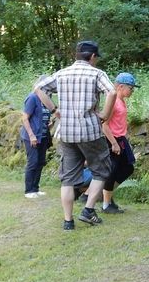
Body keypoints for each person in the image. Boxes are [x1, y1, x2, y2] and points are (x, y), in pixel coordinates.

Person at [35, 40, 116, 230]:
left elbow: (38, 88)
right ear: (93, 56)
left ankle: (68, 222)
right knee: (101, 170)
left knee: (68, 179)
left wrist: (54, 109)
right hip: (90, 132)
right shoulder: (96, 74)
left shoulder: (61, 73)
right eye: (96, 57)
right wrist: (105, 114)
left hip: (67, 133)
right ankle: (88, 210)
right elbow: (112, 92)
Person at [101, 72, 139, 213]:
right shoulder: (113, 102)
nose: (132, 91)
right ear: (121, 86)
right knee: (112, 170)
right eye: (131, 88)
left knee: (128, 168)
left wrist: (124, 138)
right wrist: (114, 143)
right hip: (113, 140)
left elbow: (119, 122)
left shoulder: (121, 100)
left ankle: (107, 195)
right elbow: (104, 125)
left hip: (121, 139)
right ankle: (106, 204)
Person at [20, 77, 54, 198]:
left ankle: (35, 188)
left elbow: (41, 117)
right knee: (33, 162)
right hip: (32, 136)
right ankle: (29, 191)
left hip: (43, 136)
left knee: (40, 162)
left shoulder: (47, 100)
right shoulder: (32, 98)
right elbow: (25, 118)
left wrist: (49, 124)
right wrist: (31, 135)